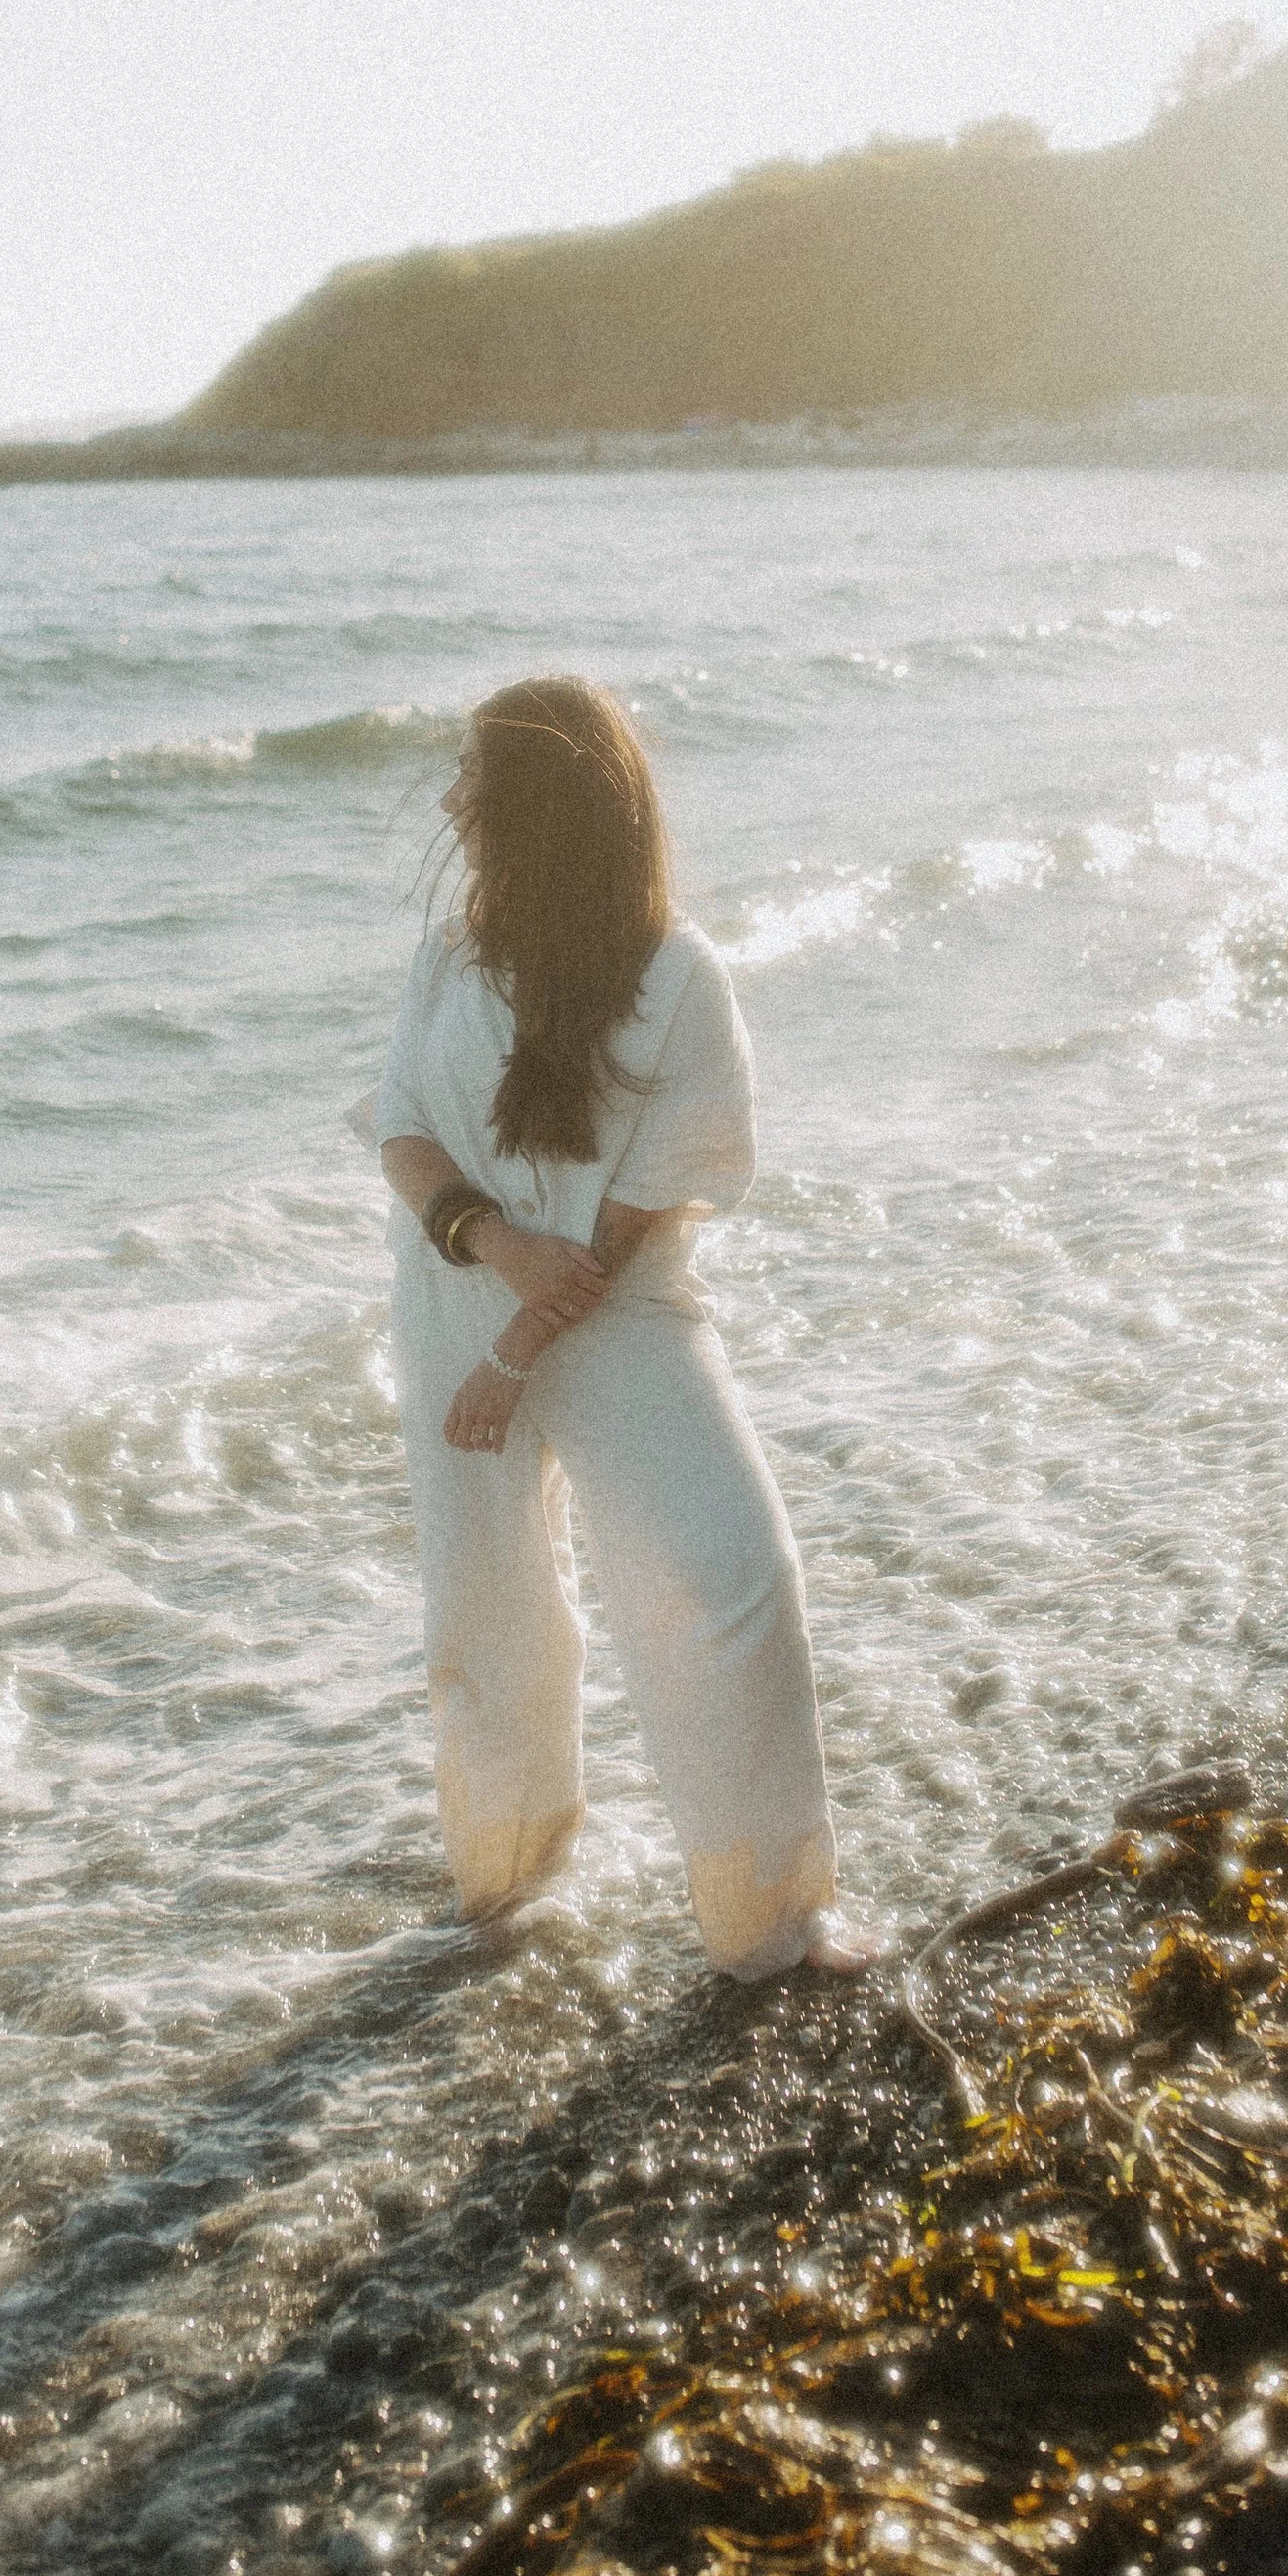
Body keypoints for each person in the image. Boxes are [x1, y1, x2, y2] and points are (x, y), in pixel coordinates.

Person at [377, 677, 865, 1981]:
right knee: (489, 1608)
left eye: (475, 782)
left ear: (542, 810)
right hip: (453, 1295)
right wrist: (491, 1250)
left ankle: (774, 1922)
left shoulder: (675, 976)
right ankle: (505, 1891)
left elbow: (640, 1216)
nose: (451, 804)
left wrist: (520, 1342)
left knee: (732, 1579)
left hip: (619, 1313)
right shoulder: (451, 962)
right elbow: (402, 1137)